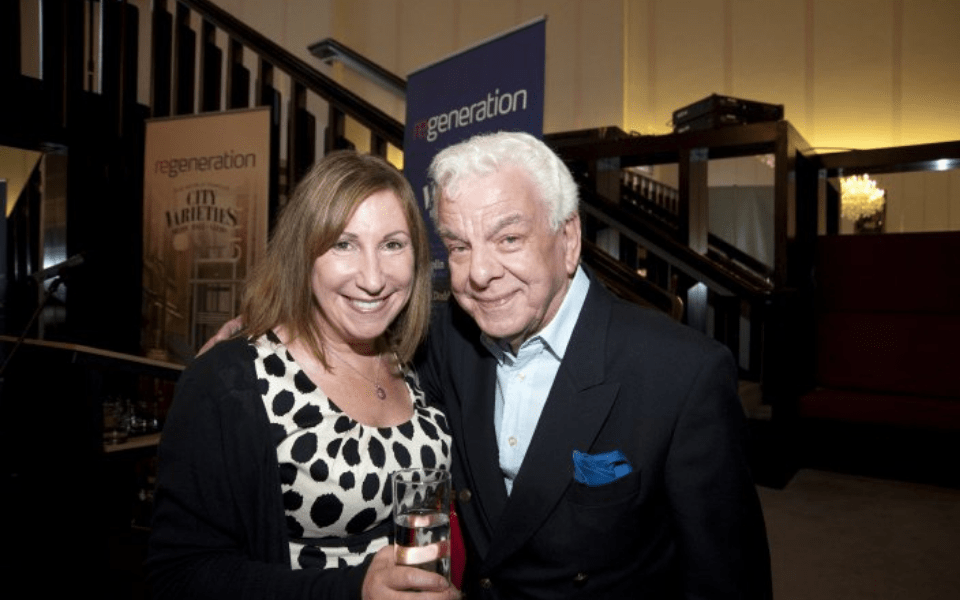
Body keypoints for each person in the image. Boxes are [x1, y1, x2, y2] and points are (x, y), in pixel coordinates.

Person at [416, 131, 773, 599]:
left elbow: (727, 580)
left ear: (568, 240)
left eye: (508, 238)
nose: (479, 273)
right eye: (459, 246)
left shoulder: (682, 374)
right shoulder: (448, 340)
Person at [146, 151, 460, 600]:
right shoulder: (229, 384)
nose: (373, 278)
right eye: (343, 244)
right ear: (303, 254)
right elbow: (179, 575)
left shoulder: (419, 357)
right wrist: (354, 590)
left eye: (393, 244)